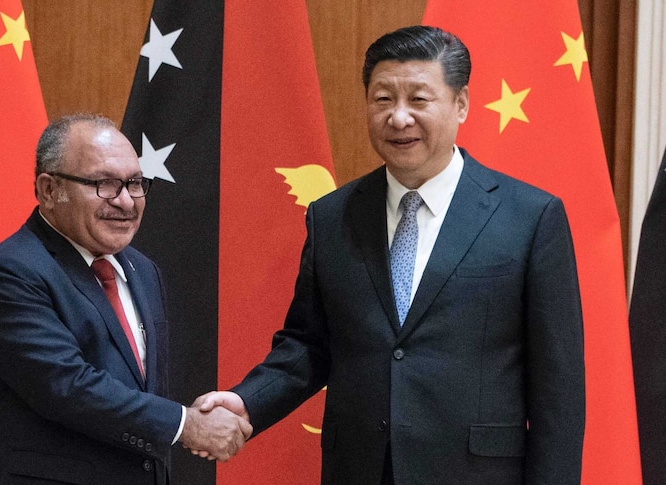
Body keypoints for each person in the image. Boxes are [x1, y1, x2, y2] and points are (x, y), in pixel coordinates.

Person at [194, 26, 585, 484]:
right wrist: (248, 400)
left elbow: (558, 389)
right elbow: (308, 344)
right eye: (382, 100)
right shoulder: (332, 216)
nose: (399, 118)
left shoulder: (530, 217)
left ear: (461, 104)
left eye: (418, 99)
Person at [0, 113, 251, 484]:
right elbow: (68, 388)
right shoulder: (10, 272)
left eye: (134, 183)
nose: (126, 202)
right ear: (49, 190)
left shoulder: (142, 271)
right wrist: (186, 424)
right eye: (104, 184)